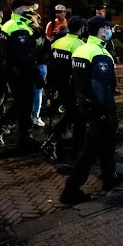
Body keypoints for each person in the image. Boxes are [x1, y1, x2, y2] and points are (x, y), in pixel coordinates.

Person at [60, 16, 123, 205]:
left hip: (85, 105)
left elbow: (75, 80)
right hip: (99, 109)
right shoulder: (99, 54)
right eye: (107, 28)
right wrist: (109, 112)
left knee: (107, 146)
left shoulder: (81, 49)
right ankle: (70, 189)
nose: (110, 31)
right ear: (101, 31)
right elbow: (101, 87)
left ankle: (109, 177)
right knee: (90, 151)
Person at [0, 0, 44, 148]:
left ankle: (10, 132)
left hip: (13, 70)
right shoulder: (19, 28)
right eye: (28, 8)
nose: (32, 11)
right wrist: (37, 75)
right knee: (24, 105)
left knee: (21, 104)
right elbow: (25, 56)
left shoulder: (9, 24)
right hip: (21, 73)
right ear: (21, 10)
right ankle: (17, 134)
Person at [42, 16, 87, 161]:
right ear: (81, 29)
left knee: (71, 113)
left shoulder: (57, 42)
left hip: (58, 84)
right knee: (76, 115)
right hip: (71, 86)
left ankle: (59, 140)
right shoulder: (79, 45)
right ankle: (57, 141)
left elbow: (51, 63)